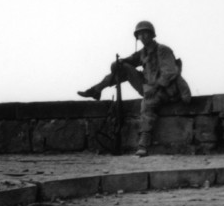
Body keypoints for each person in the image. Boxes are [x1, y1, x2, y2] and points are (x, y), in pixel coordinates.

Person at [77, 20, 191, 157]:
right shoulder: (143, 53)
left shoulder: (162, 50)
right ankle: (97, 90)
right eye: (140, 34)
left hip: (165, 89)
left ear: (152, 35)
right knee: (124, 68)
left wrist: (154, 88)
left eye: (145, 33)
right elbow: (129, 60)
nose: (143, 37)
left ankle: (144, 143)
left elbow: (170, 72)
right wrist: (118, 63)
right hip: (148, 86)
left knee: (148, 104)